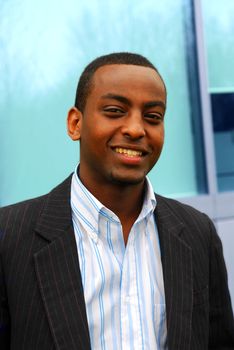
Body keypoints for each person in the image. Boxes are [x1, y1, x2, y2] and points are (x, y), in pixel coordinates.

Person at [0, 52, 234, 350]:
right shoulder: (9, 237)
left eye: (153, 117)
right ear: (75, 124)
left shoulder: (197, 232)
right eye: (114, 111)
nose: (136, 129)